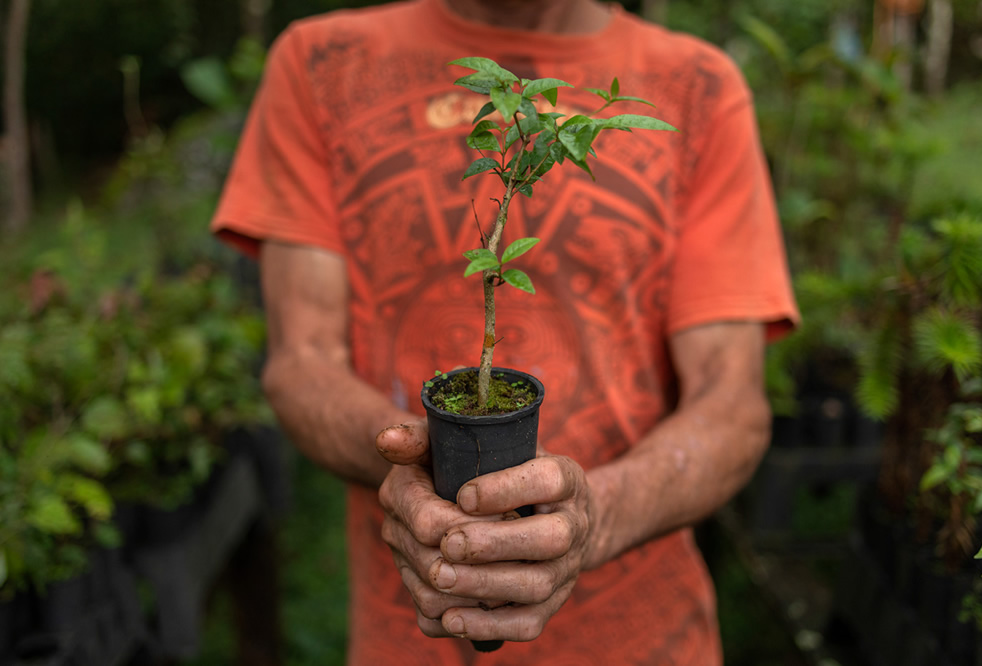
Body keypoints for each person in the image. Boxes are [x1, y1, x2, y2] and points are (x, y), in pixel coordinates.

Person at [211, 0, 799, 662]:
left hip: (646, 640)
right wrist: (411, 460)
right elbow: (301, 361)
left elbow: (732, 404)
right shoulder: (321, 64)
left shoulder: (701, 85)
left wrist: (593, 516)